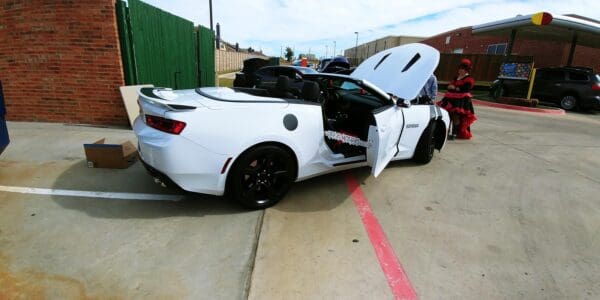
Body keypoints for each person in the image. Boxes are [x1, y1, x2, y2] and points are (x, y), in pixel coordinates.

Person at [437, 59, 477, 139]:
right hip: (450, 99)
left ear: (466, 70)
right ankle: (446, 132)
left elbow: (465, 89)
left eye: (463, 69)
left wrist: (454, 88)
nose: (460, 70)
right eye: (460, 68)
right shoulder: (456, 78)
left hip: (461, 101)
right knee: (448, 115)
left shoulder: (469, 79)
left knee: (456, 116)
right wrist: (455, 88)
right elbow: (448, 87)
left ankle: (454, 133)